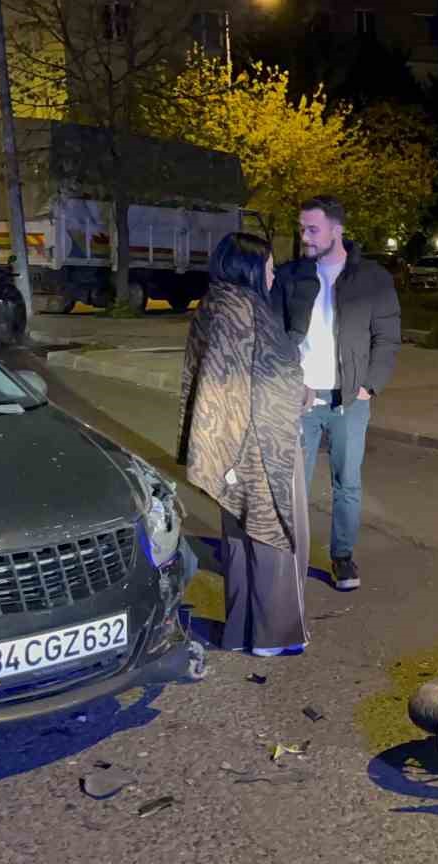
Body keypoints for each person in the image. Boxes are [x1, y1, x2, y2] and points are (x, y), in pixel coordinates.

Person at [179, 233, 312, 657]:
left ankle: (240, 631)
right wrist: (300, 392)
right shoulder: (240, 309)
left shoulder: (217, 303)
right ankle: (272, 636)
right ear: (249, 268)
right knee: (274, 539)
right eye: (269, 268)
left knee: (240, 540)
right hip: (260, 446)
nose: (273, 276)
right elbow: (238, 386)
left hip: (235, 445)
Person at [272, 196, 401, 591]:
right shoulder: (291, 276)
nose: (305, 237)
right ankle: (290, 558)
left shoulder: (372, 279)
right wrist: (290, 380)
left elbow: (387, 337)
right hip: (300, 399)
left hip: (349, 399)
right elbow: (273, 334)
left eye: (312, 229)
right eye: (302, 229)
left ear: (337, 230)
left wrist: (369, 385)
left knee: (348, 482)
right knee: (293, 484)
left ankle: (342, 557)